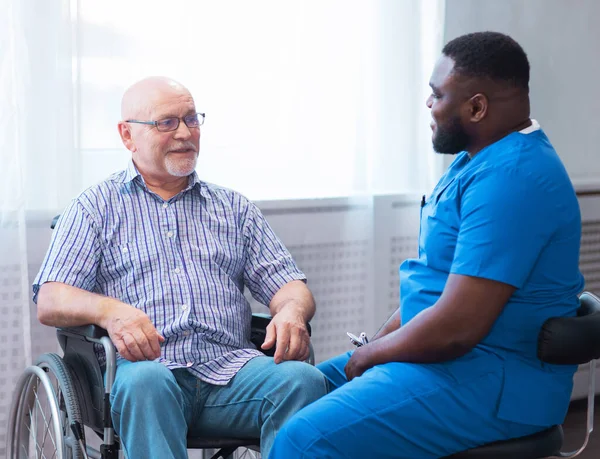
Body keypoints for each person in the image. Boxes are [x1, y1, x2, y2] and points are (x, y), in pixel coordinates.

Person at [269, 31, 584, 458]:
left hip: (493, 380)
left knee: (302, 438)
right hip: (452, 362)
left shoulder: (513, 179)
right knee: (283, 393)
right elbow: (434, 283)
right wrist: (371, 348)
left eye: (436, 95)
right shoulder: (477, 157)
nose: (428, 105)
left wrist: (369, 359)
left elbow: (456, 328)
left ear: (476, 106)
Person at [33, 76, 327, 458]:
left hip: (231, 371)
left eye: (192, 119)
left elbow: (289, 285)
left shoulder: (234, 209)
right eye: (166, 123)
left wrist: (291, 310)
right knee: (147, 384)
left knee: (302, 380)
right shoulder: (94, 208)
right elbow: (52, 298)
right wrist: (111, 311)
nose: (185, 133)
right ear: (127, 136)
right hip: (145, 372)